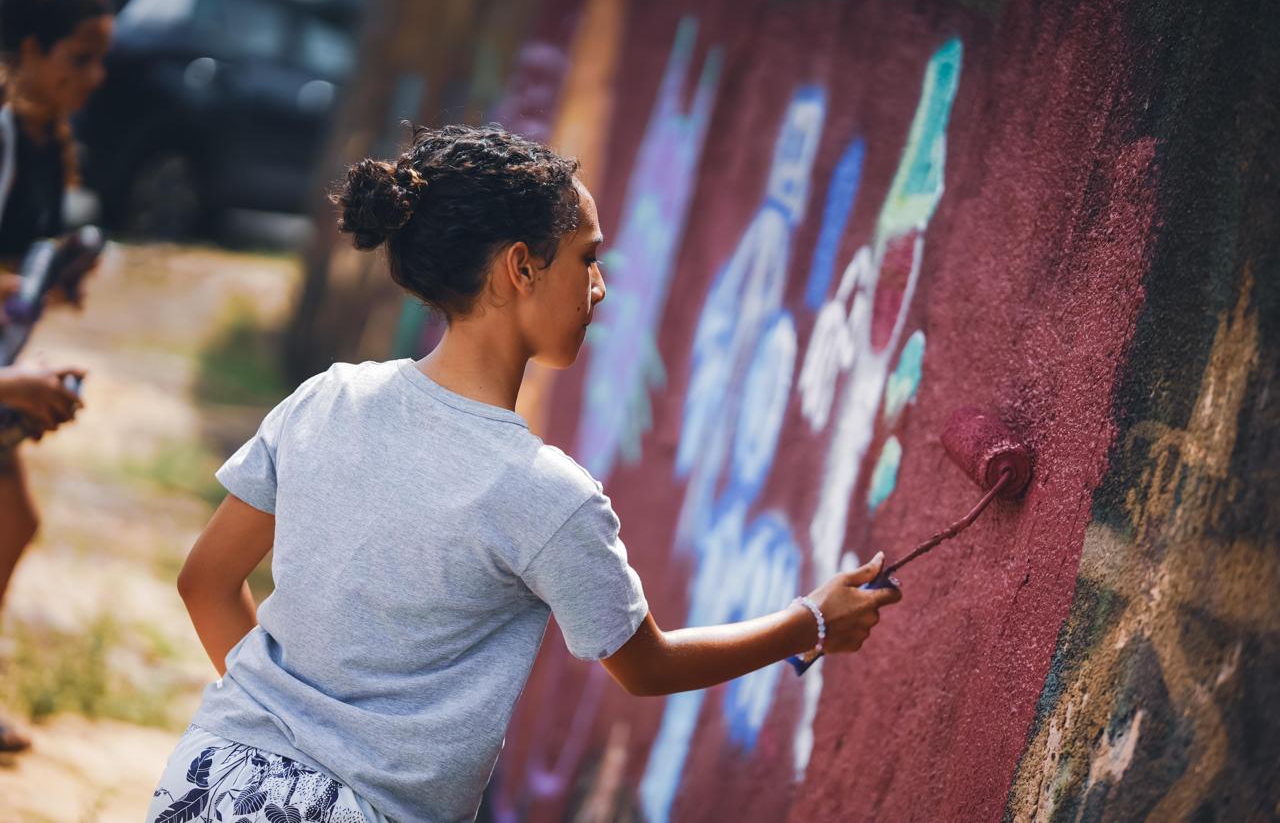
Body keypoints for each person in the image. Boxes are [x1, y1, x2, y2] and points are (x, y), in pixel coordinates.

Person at [150, 125, 902, 822]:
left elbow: (205, 582)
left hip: (210, 774)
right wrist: (813, 619)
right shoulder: (546, 494)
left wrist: (285, 732)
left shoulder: (328, 396)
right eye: (587, 257)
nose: (600, 287)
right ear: (519, 266)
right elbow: (647, 665)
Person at [0, 0, 111, 754]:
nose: (94, 76)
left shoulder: (46, 145)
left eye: (102, 59)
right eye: (80, 56)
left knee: (13, 521)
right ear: (31, 50)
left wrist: (49, 281)